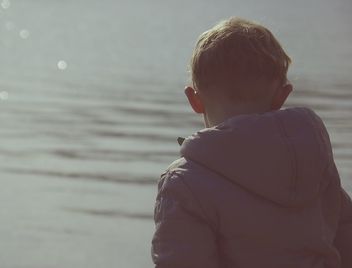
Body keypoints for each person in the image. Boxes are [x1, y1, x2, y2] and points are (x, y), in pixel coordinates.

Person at [151, 17, 352, 268]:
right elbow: (345, 235)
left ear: (194, 100)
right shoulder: (313, 158)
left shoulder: (185, 183)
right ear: (281, 96)